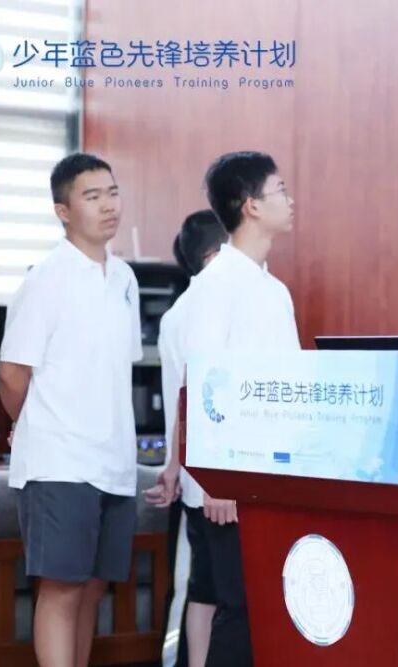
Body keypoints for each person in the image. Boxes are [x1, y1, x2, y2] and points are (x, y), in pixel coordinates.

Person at [151, 151, 299, 667]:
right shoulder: (216, 285)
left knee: (258, 611)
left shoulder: (273, 289)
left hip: (269, 479)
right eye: (281, 190)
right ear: (251, 205)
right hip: (230, 486)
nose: (290, 200)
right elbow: (204, 383)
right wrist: (218, 480)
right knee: (240, 612)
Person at [0, 153, 142, 667]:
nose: (109, 205)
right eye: (92, 196)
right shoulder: (46, 278)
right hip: (59, 461)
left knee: (93, 587)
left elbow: (115, 369)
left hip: (114, 461)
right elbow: (12, 374)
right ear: (63, 211)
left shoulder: (125, 278)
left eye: (113, 192)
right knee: (61, 588)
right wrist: (30, 424)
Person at [147, 210, 228, 666]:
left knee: (198, 588)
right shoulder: (206, 309)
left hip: (193, 472)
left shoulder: (178, 313)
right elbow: (195, 393)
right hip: (211, 475)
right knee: (207, 590)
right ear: (218, 253)